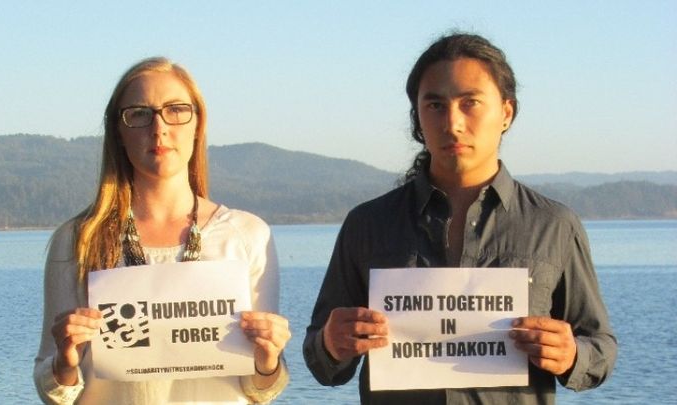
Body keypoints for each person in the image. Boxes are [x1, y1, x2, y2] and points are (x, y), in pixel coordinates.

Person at [303, 32, 616, 404]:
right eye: (435, 105)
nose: (452, 123)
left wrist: (572, 355)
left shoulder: (554, 225)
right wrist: (330, 344)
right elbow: (322, 363)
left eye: (471, 103)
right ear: (417, 116)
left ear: (506, 112)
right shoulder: (367, 225)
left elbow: (600, 348)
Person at [34, 57, 290, 404]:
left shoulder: (248, 236)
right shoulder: (78, 240)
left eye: (176, 110)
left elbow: (261, 389)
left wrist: (268, 359)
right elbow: (54, 392)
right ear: (118, 132)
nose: (159, 127)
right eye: (139, 113)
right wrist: (65, 362)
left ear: (197, 124)